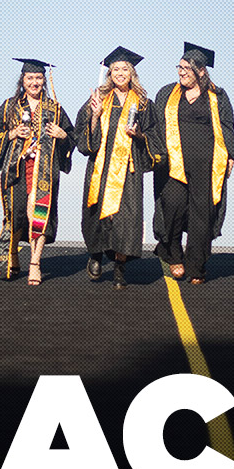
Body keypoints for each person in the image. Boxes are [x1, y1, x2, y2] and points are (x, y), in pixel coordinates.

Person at [74, 47, 159, 289]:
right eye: (116, 69)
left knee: (126, 219)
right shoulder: (98, 100)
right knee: (97, 215)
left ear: (132, 73)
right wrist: (95, 115)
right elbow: (82, 137)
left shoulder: (143, 104)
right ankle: (96, 256)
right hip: (100, 167)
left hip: (129, 171)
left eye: (125, 69)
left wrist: (140, 135)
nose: (120, 73)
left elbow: (156, 137)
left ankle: (120, 269)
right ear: (109, 73)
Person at [153, 43, 234, 285]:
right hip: (173, 162)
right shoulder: (166, 93)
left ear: (201, 70)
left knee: (202, 213)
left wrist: (230, 155)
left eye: (186, 68)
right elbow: (157, 126)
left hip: (206, 165)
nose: (181, 72)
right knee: (173, 206)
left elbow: (227, 126)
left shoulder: (217, 95)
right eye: (179, 67)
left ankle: (196, 267)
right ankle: (174, 255)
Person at [0, 59, 75, 285]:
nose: (34, 82)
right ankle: (14, 255)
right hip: (17, 169)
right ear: (22, 80)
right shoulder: (10, 106)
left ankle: (35, 262)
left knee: (38, 215)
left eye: (38, 78)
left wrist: (62, 135)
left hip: (44, 170)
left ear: (44, 81)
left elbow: (71, 136)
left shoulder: (54, 109)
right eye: (30, 78)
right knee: (17, 215)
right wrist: (12, 133)